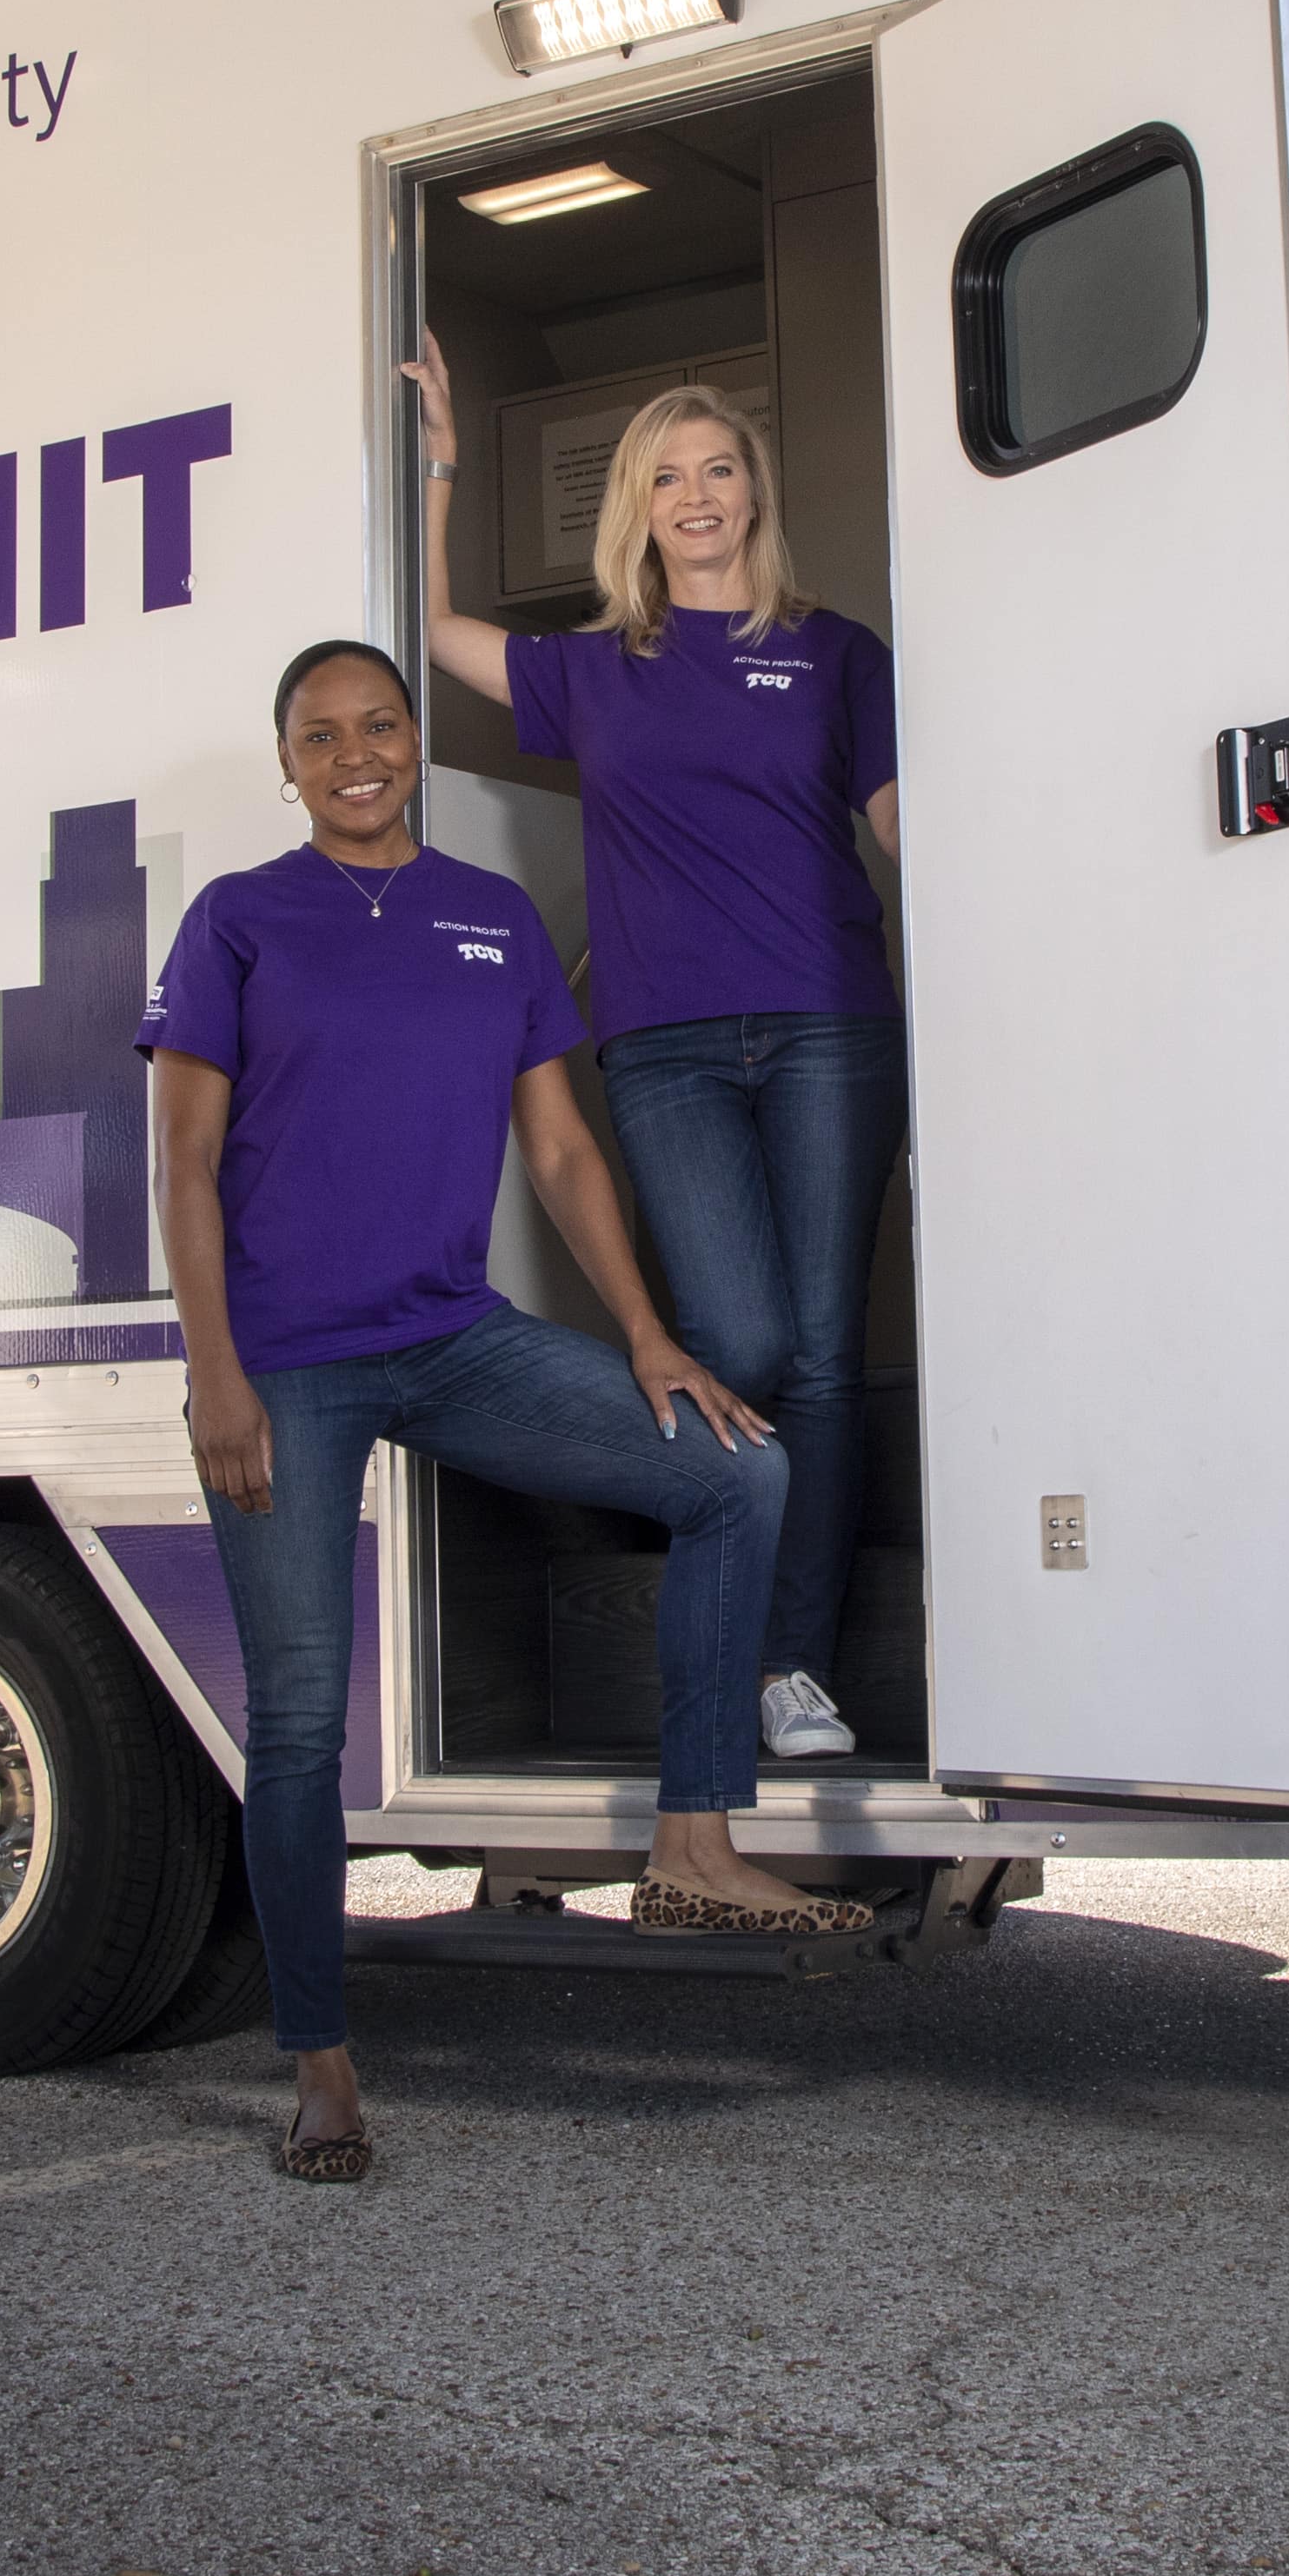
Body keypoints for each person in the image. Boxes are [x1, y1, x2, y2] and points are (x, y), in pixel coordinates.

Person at [149, 637, 866, 2188]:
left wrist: (648, 1336)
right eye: (321, 734)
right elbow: (185, 1163)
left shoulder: (494, 919)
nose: (356, 753)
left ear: (416, 741)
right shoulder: (238, 921)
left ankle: (692, 1847)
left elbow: (561, 1154)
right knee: (295, 1722)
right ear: (287, 761)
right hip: (283, 1363)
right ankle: (322, 2061)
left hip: (454, 1337)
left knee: (735, 1472)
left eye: (382, 725)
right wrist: (213, 1369)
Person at [405, 348, 906, 1763]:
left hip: (828, 1025)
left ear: (756, 492)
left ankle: (787, 1668)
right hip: (663, 1046)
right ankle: (716, 1559)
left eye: (719, 469)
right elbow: (437, 626)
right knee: (738, 1340)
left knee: (819, 1354)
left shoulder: (836, 652)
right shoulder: (594, 669)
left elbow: (893, 823)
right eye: (666, 476)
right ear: (636, 506)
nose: (697, 496)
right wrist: (445, 457)